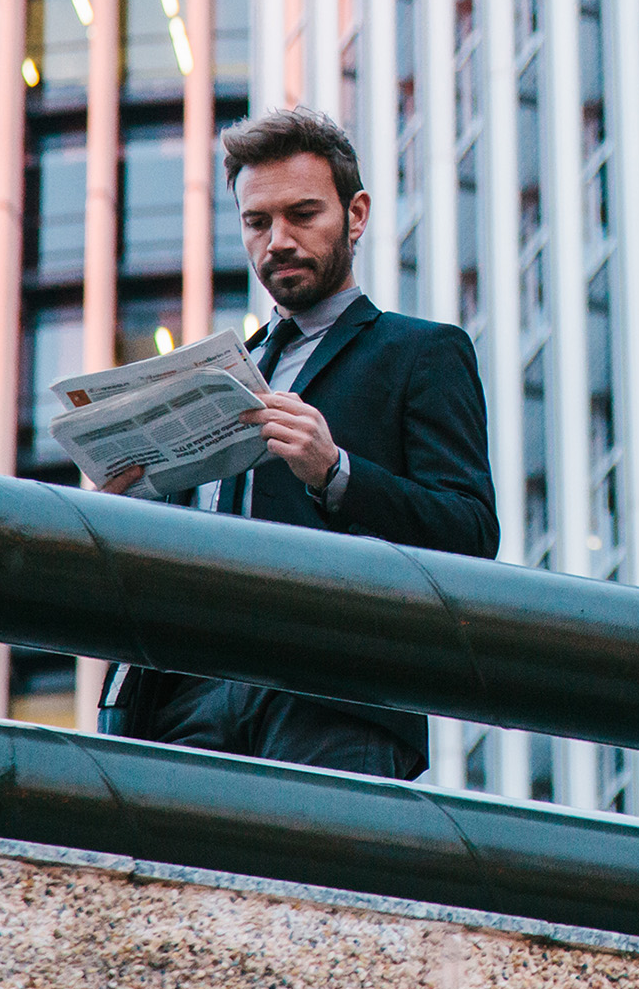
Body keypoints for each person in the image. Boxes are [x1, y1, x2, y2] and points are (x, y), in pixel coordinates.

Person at [95, 106, 498, 779]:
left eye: (302, 215)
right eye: (257, 222)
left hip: (334, 689)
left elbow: (470, 533)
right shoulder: (213, 375)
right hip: (183, 699)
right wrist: (124, 502)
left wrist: (336, 472)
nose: (277, 240)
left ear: (356, 215)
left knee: (316, 881)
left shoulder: (419, 353)